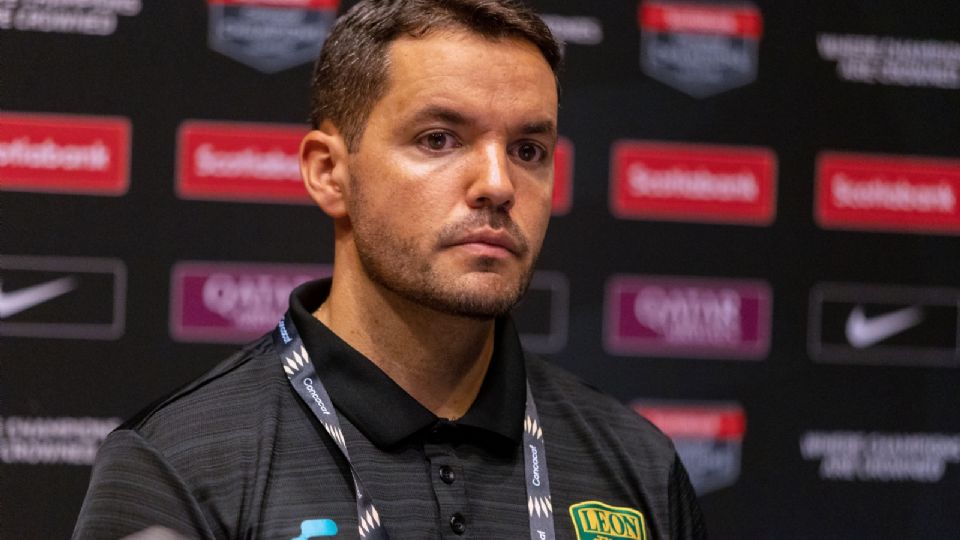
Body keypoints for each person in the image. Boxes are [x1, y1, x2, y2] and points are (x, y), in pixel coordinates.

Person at [74, 1, 706, 538]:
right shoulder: (179, 465)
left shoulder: (638, 465)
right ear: (329, 172)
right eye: (439, 139)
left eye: (527, 150)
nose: (498, 183)